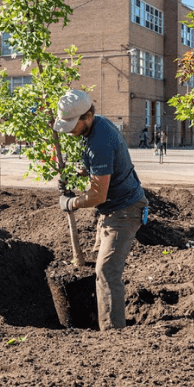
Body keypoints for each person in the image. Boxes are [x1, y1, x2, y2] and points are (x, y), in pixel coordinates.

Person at [54, 89, 148, 331]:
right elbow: (106, 169)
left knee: (107, 271)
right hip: (111, 211)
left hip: (124, 211)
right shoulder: (97, 127)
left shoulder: (100, 141)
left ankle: (113, 333)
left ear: (87, 116)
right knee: (99, 266)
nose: (70, 131)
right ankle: (99, 318)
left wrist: (71, 202)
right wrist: (81, 172)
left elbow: (97, 194)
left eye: (73, 125)